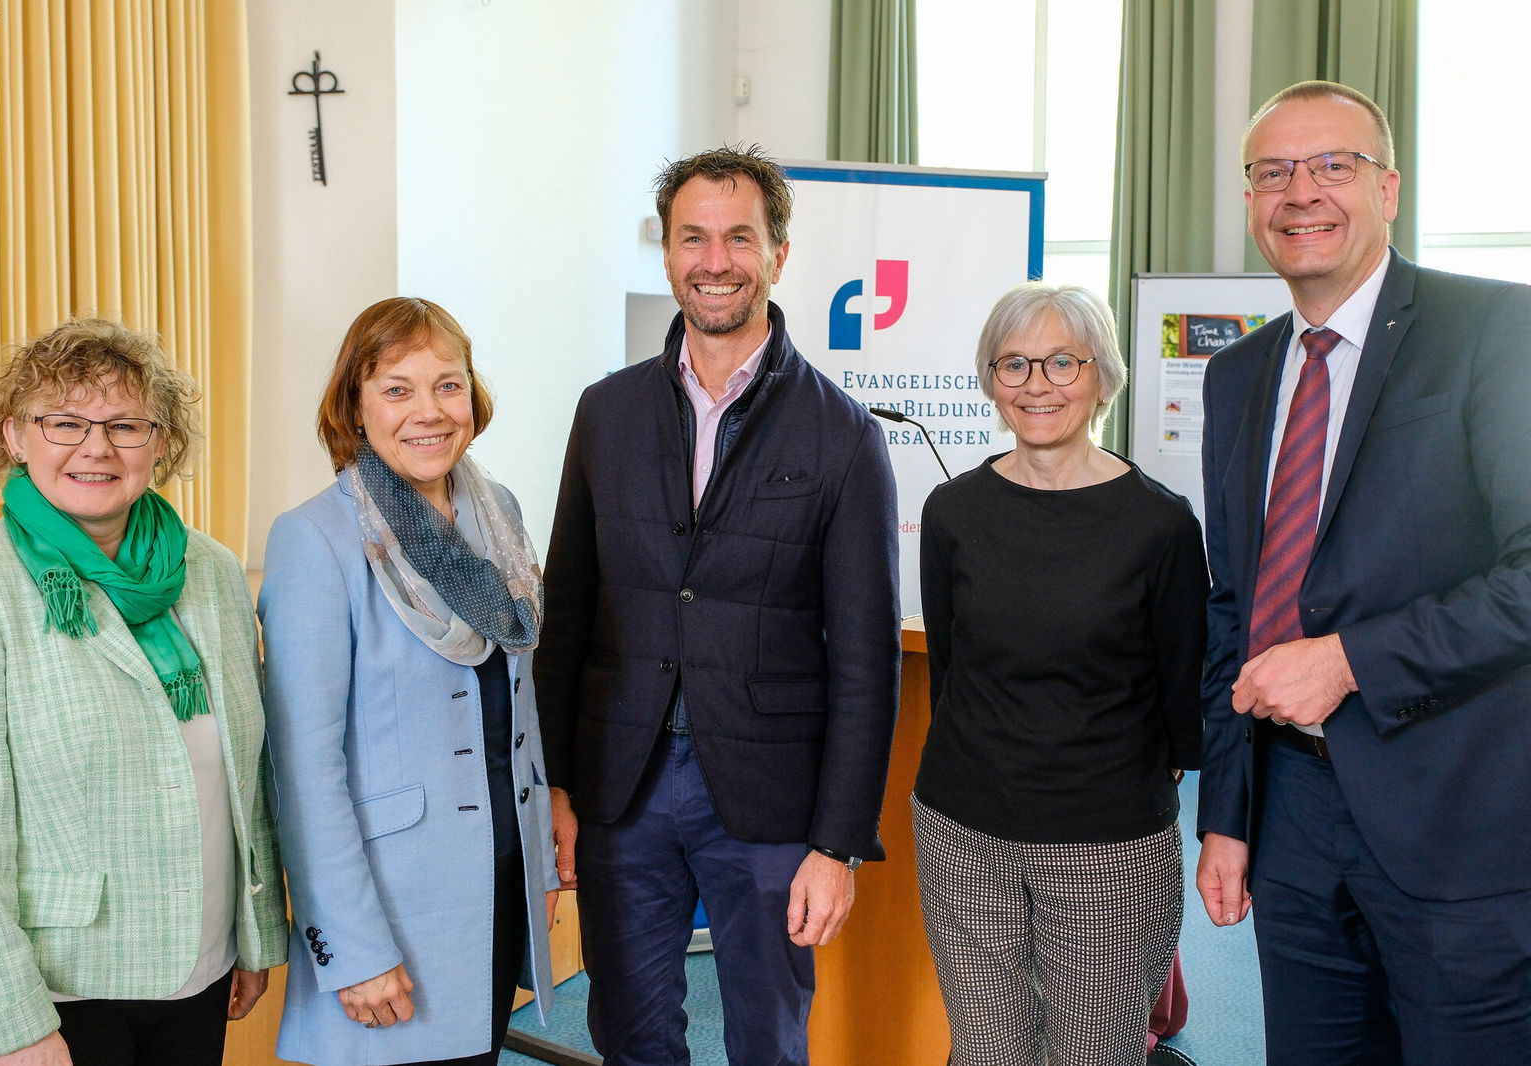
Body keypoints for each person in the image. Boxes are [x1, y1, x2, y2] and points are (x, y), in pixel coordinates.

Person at [535, 144, 900, 1065]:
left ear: (779, 252)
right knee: (630, 1032)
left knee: (768, 1041)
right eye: (692, 238)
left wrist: (838, 845)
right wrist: (557, 787)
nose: (715, 260)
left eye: (740, 237)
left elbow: (867, 662)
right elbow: (566, 613)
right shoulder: (606, 412)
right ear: (666, 254)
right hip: (622, 785)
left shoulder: (844, 435)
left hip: (772, 801)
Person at [1196, 80, 1531, 1064]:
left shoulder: (1496, 330)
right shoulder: (1238, 374)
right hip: (1291, 820)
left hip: (1458, 820)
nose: (1300, 192)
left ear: (1388, 188)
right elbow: (1232, 604)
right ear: (1250, 203)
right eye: (1273, 172)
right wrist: (1226, 817)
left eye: (1332, 165)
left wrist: (1350, 659)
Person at [0, 319, 287, 1066]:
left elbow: (244, 771)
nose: (96, 447)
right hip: (58, 993)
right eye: (64, 422)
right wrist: (11, 1024)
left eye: (125, 425)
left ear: (161, 443)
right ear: (15, 436)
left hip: (201, 966)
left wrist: (251, 936)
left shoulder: (213, 572)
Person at [259, 297, 559, 1066]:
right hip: (391, 907)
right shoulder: (314, 540)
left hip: (496, 885)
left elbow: (517, 711)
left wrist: (539, 858)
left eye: (447, 385)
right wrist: (352, 947)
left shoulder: (498, 514)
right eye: (397, 389)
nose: (429, 412)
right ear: (354, 408)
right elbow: (303, 772)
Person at [913, 282, 1206, 1066]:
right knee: (985, 1051)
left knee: (1095, 1052)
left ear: (1102, 375)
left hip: (1107, 843)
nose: (1036, 384)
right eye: (1013, 363)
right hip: (962, 830)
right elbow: (952, 671)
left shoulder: (1161, 523)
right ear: (991, 379)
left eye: (1061, 362)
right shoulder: (951, 512)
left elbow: (1183, 700)